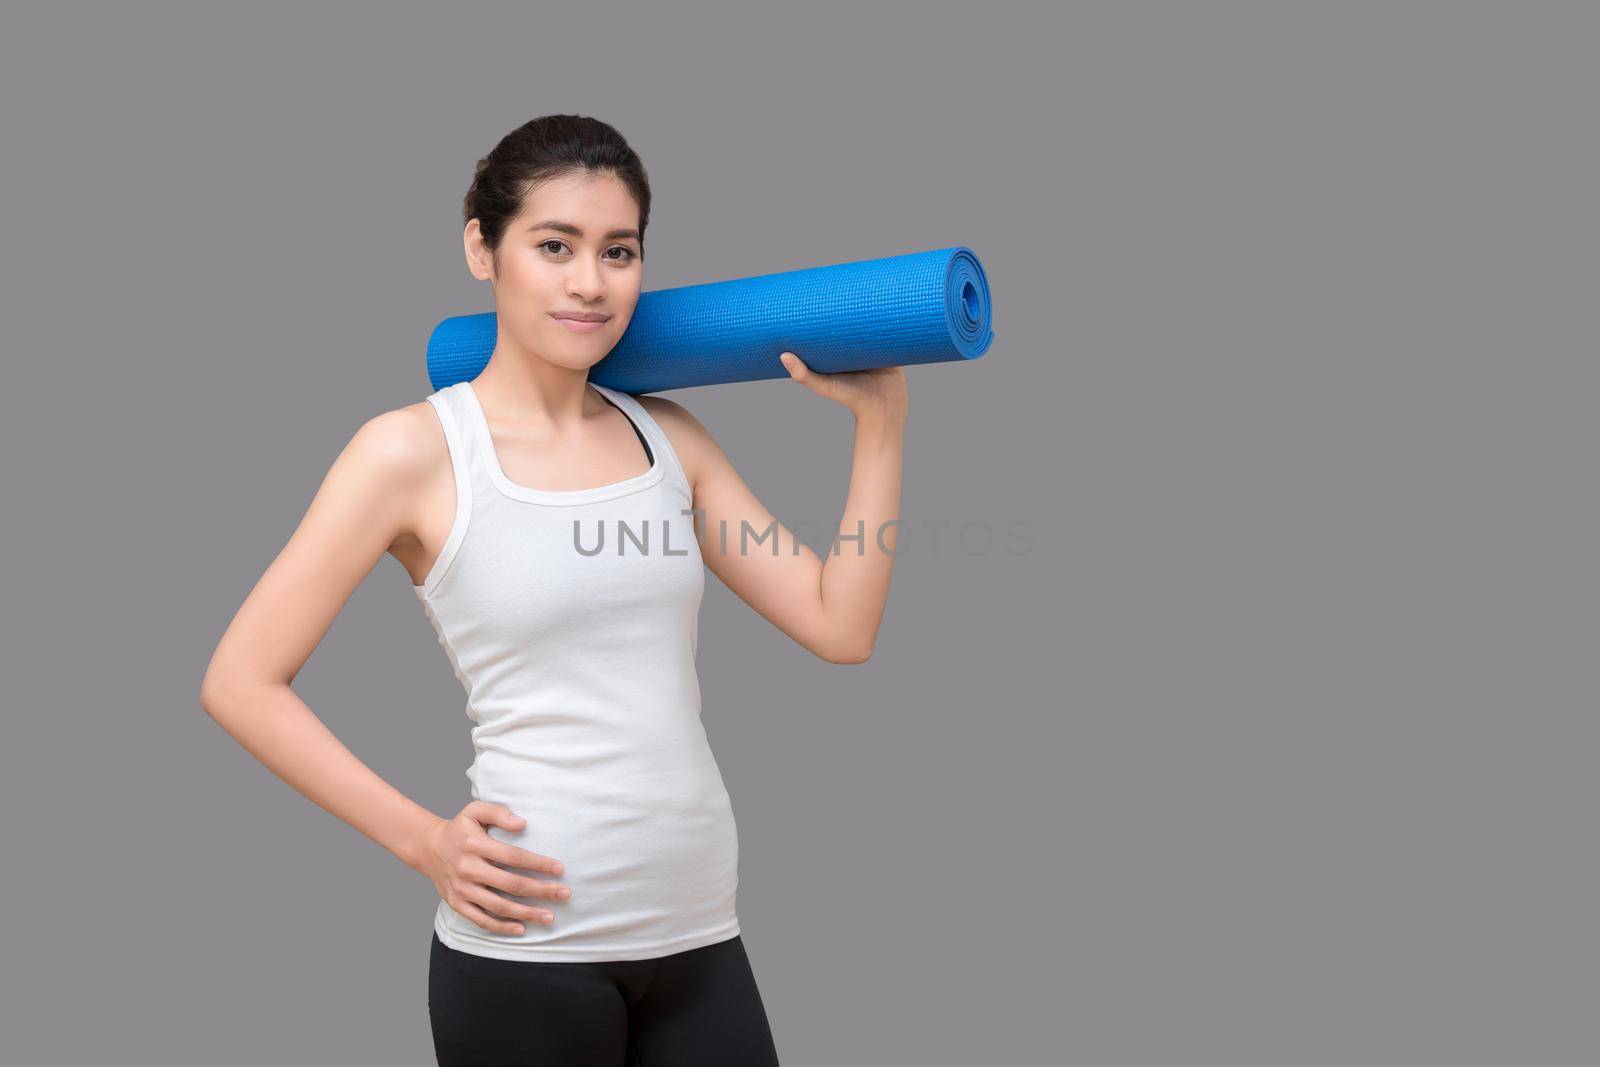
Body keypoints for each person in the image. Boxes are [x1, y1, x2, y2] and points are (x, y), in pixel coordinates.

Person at [199, 114, 907, 1065]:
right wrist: (423, 842)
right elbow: (240, 680)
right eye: (554, 245)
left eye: (618, 251)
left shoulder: (671, 440)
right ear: (480, 250)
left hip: (699, 932)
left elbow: (840, 623)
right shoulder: (410, 453)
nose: (589, 282)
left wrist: (881, 428)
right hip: (531, 952)